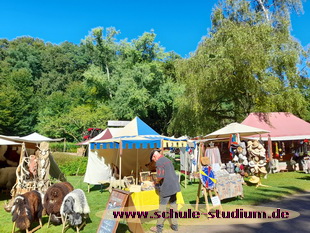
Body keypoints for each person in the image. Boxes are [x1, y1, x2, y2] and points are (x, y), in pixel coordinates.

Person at [150, 149, 180, 233]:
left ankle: (159, 228)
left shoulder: (159, 162)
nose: (154, 161)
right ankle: (175, 225)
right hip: (174, 186)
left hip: (167, 187)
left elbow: (160, 176)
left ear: (154, 156)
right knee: (173, 206)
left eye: (153, 159)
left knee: (162, 207)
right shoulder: (167, 159)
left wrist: (156, 181)